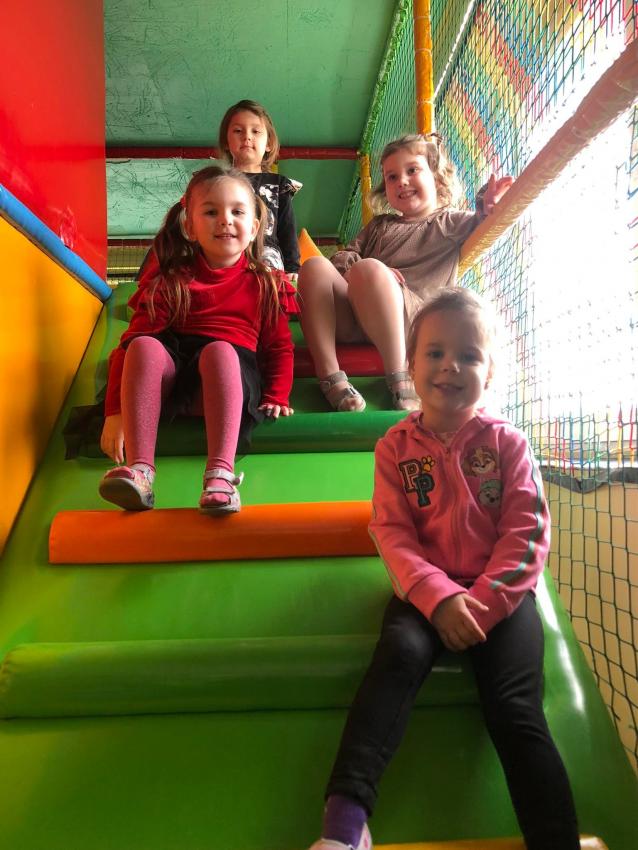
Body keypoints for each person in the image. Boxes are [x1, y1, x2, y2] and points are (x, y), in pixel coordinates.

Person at [309, 287, 580, 850]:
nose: (450, 366)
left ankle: (555, 837)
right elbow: (392, 533)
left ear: (490, 372)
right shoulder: (394, 447)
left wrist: (483, 603)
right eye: (434, 353)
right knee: (398, 657)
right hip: (423, 594)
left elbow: (526, 530)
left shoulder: (508, 444)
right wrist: (438, 598)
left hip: (500, 598)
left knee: (515, 706)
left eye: (469, 355)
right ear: (410, 365)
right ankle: (345, 825)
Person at [98, 165, 297, 515]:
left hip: (228, 382)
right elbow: (127, 347)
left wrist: (277, 394)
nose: (225, 220)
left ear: (254, 228)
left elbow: (279, 346)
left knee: (219, 351)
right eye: (211, 212)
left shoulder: (265, 283)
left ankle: (221, 474)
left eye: (237, 212)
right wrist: (115, 411)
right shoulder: (171, 280)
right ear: (190, 227)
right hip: (174, 385)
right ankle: (141, 471)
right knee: (144, 345)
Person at [297, 133, 512, 413]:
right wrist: (355, 271)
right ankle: (330, 376)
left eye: (412, 170)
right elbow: (343, 257)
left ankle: (401, 375)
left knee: (369, 268)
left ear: (437, 178)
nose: (402, 181)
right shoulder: (379, 226)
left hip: (412, 323)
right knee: (314, 266)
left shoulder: (448, 222)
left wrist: (489, 205)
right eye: (392, 177)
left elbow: (483, 224)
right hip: (358, 317)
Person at [218, 99, 301, 277]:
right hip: (228, 249)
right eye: (238, 131)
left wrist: (293, 268)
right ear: (226, 141)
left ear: (269, 143)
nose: (247, 136)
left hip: (267, 255)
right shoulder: (217, 182)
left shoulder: (279, 184)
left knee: (266, 261)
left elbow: (287, 229)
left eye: (255, 131)